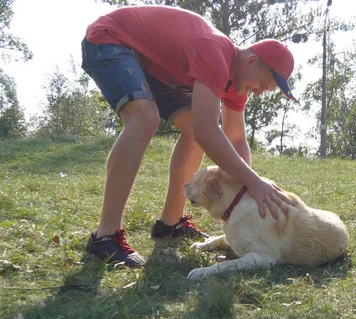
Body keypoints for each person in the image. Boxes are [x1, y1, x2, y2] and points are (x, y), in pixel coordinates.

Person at [81, 5, 295, 267]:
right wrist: (253, 182)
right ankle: (106, 235)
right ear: (251, 61)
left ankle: (170, 224)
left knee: (194, 128)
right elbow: (209, 132)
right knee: (144, 117)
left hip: (149, 61)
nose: (259, 93)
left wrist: (245, 192)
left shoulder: (236, 85)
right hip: (110, 39)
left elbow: (236, 138)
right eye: (263, 84)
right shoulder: (214, 52)